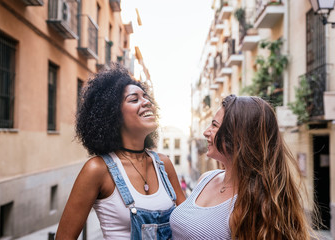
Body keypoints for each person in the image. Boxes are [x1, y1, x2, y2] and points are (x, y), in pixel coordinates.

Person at [56, 64, 185, 240]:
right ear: (112, 114)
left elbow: (187, 225)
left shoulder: (164, 164)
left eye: (146, 97)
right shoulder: (97, 169)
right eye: (134, 99)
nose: (147, 102)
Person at [170, 95, 315, 239]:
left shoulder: (252, 204)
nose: (206, 132)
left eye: (214, 125)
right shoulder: (206, 178)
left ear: (238, 136)